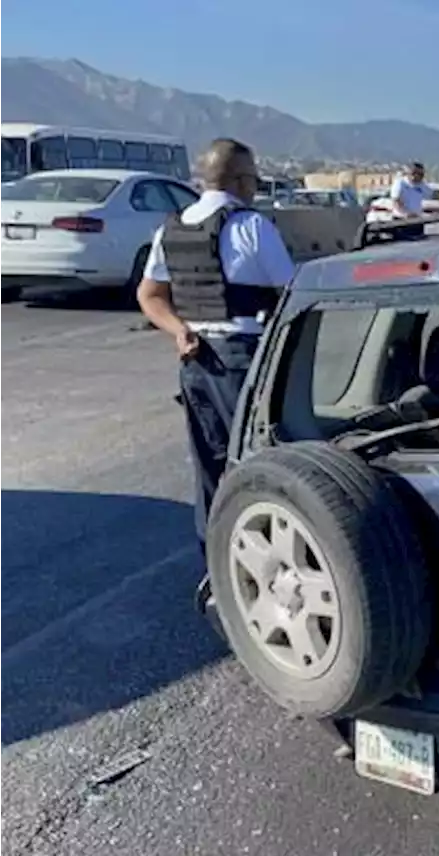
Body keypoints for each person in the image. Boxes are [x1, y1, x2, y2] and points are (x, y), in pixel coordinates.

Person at [135, 137, 296, 606]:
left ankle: (215, 568)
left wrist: (179, 332)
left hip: (195, 360)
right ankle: (261, 568)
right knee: (256, 463)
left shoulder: (173, 228)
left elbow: (150, 295)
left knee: (209, 468)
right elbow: (289, 294)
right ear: (241, 181)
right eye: (253, 178)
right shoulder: (252, 227)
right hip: (240, 357)